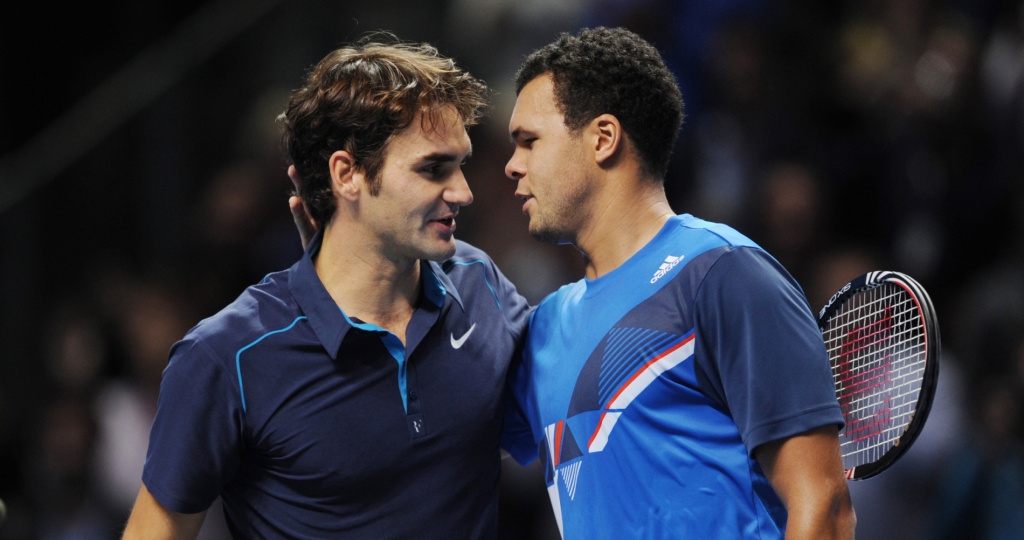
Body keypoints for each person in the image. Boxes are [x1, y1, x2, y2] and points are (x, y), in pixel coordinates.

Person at [122, 36, 530, 539]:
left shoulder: (481, 283)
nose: (463, 191)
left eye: (461, 163)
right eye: (433, 168)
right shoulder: (225, 357)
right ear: (347, 173)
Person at [498, 27, 856, 539]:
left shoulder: (723, 274)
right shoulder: (545, 328)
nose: (513, 165)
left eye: (529, 142)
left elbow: (825, 507)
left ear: (603, 138)